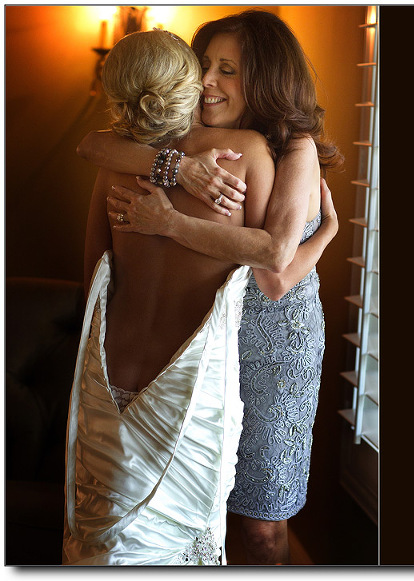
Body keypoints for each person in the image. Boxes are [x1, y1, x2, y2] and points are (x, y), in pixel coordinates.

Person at [76, 9, 343, 565]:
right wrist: (177, 167)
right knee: (197, 509)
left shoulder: (290, 149)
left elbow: (274, 271)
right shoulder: (182, 147)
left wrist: (324, 236)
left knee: (261, 523)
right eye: (203, 64)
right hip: (206, 341)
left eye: (228, 70)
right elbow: (93, 146)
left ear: (265, 80)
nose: (206, 80)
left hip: (274, 341)